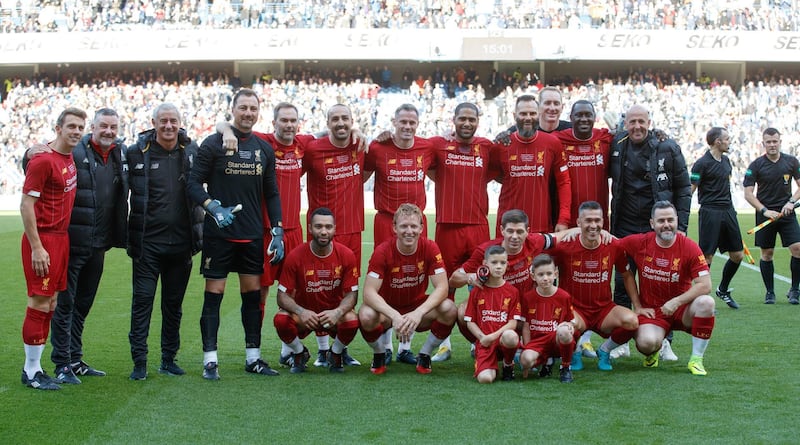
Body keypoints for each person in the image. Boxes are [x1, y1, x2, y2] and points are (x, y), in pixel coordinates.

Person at [217, 103, 361, 369]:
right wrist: (226, 129)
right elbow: (229, 128)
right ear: (273, 123)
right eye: (283, 120)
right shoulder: (263, 142)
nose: (288, 125)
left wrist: (355, 130)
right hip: (265, 231)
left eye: (293, 121)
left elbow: (330, 134)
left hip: (294, 231)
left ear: (298, 124)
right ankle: (254, 351)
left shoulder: (303, 144)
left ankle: (290, 351)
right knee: (260, 293)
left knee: (303, 291)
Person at [187, 88, 284, 380]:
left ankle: (253, 357)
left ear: (259, 111)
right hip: (219, 234)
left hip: (252, 235)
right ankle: (210, 359)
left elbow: (272, 193)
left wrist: (277, 231)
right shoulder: (214, 144)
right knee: (214, 295)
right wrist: (213, 207)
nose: (248, 113)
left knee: (252, 296)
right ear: (233, 109)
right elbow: (192, 184)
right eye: (243, 108)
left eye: (253, 109)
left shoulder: (264, 149)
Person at [44, 108, 128, 382]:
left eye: (113, 127)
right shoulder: (74, 149)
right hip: (73, 242)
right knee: (65, 305)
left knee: (83, 305)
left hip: (99, 244)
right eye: (103, 126)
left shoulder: (119, 153)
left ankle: (75, 358)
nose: (108, 131)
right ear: (92, 127)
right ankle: (61, 363)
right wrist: (33, 149)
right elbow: (42, 158)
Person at [126, 103, 203, 381]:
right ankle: (140, 361)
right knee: (142, 302)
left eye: (173, 121)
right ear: (154, 123)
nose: (168, 126)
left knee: (173, 305)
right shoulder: (136, 152)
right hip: (148, 246)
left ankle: (168, 359)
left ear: (180, 123)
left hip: (182, 245)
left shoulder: (192, 152)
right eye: (163, 121)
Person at [608, 104, 691, 361]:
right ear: (625, 124)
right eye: (632, 122)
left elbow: (684, 187)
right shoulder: (616, 145)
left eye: (641, 122)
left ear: (649, 122)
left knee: (664, 280)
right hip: (625, 224)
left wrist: (683, 227)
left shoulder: (668, 146)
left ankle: (665, 339)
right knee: (623, 279)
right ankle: (621, 339)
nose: (637, 127)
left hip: (657, 225)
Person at [427, 102, 500, 362]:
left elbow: (502, 166)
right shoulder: (438, 144)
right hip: (447, 226)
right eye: (463, 119)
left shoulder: (487, 147)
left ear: (478, 120)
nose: (467, 123)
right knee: (445, 285)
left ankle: (478, 339)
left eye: (472, 119)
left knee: (482, 284)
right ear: (454, 120)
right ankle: (443, 343)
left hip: (478, 226)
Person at [20, 107, 86, 390]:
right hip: (43, 239)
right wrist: (37, 247)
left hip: (61, 239)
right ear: (58, 128)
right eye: (71, 126)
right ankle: (31, 371)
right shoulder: (42, 161)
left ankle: (36, 366)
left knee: (52, 303)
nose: (76, 131)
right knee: (39, 302)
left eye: (80, 127)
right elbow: (26, 205)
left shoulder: (69, 156)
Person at [365, 104, 435, 365]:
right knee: (386, 279)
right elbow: (361, 175)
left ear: (418, 124)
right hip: (386, 220)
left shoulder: (428, 148)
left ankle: (406, 346)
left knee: (414, 277)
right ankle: (384, 347)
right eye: (402, 122)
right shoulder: (377, 148)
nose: (407, 126)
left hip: (417, 223)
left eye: (411, 122)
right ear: (393, 122)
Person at [615, 201, 716, 376]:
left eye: (670, 220)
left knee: (706, 303)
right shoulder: (640, 242)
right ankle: (654, 350)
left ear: (677, 220)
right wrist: (637, 306)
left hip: (681, 310)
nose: (667, 225)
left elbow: (705, 285)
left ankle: (696, 359)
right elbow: (611, 243)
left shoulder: (689, 247)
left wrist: (676, 302)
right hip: (653, 313)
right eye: (661, 221)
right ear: (652, 223)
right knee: (646, 343)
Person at [358, 203, 455, 375]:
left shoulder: (430, 248)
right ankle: (379, 353)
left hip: (416, 306)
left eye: (413, 226)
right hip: (388, 309)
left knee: (449, 309)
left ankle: (424, 354)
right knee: (366, 315)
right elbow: (368, 293)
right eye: (403, 226)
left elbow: (442, 287)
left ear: (421, 228)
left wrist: (418, 312)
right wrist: (394, 315)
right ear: (394, 228)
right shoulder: (382, 251)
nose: (409, 231)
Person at [553, 100, 615, 359]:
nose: (583, 119)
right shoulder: (559, 140)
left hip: (598, 223)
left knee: (599, 272)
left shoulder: (605, 139)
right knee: (566, 273)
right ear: (571, 117)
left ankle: (586, 338)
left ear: (594, 117)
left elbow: (627, 134)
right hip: (568, 223)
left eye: (588, 115)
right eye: (578, 115)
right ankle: (563, 332)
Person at [550, 201, 639, 372]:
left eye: (597, 220)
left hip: (603, 310)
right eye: (588, 221)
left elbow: (627, 275)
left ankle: (604, 350)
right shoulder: (564, 246)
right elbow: (540, 253)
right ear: (578, 223)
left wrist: (638, 305)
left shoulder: (613, 245)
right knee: (566, 326)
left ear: (604, 222)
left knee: (632, 321)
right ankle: (574, 352)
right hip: (574, 310)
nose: (593, 225)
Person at [273, 207, 360, 373]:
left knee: (352, 319)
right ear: (310, 228)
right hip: (304, 316)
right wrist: (301, 311)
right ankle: (299, 353)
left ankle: (335, 353)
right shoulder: (295, 255)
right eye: (318, 226)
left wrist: (338, 312)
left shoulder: (347, 255)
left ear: (335, 229)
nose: (324, 231)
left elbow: (352, 295)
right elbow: (281, 296)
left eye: (328, 227)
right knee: (281, 319)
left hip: (332, 316)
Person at [495, 95, 571, 235]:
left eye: (532, 113)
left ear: (539, 114)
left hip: (540, 225)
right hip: (508, 229)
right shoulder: (502, 145)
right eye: (523, 113)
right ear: (514, 115)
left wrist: (563, 219)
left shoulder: (552, 143)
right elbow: (492, 174)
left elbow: (564, 182)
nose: (528, 118)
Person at [743, 128, 800, 305]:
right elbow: (748, 193)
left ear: (780, 141)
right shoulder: (756, 165)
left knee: (798, 248)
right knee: (767, 254)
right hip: (766, 215)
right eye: (769, 142)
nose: (772, 144)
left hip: (786, 213)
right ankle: (770, 292)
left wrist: (791, 202)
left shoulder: (791, 162)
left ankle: (794, 290)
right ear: (763, 143)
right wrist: (765, 211)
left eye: (775, 141)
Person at [691, 127, 745, 308]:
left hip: (728, 211)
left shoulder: (726, 161)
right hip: (710, 212)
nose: (729, 142)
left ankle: (722, 289)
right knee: (707, 258)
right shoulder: (701, 164)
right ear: (717, 141)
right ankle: (702, 299)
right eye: (727, 139)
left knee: (738, 255)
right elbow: (690, 189)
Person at [463, 245, 522, 383]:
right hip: (484, 342)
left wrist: (492, 336)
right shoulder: (477, 290)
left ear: (507, 264)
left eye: (502, 263)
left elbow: (513, 323)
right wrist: (482, 337)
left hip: (501, 339)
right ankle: (486, 363)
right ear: (485, 264)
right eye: (494, 262)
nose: (498, 266)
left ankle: (508, 364)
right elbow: (470, 321)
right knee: (486, 379)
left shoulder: (512, 291)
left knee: (511, 336)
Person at [518, 254, 577, 383]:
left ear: (555, 274)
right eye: (541, 275)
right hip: (537, 342)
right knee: (526, 360)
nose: (545, 278)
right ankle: (546, 361)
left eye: (549, 274)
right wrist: (527, 348)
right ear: (533, 276)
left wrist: (569, 327)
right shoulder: (528, 297)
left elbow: (570, 322)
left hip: (555, 339)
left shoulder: (564, 296)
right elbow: (526, 326)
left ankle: (565, 367)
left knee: (565, 331)